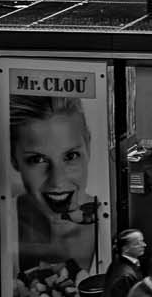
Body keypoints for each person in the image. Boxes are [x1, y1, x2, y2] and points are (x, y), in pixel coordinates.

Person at [11, 95, 101, 283]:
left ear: (88, 147)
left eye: (71, 156)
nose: (57, 181)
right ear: (14, 159)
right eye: (37, 159)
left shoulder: (117, 223)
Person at [99, 229, 147, 297]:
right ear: (125, 249)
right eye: (137, 243)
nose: (144, 245)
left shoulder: (118, 262)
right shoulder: (125, 276)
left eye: (142, 241)